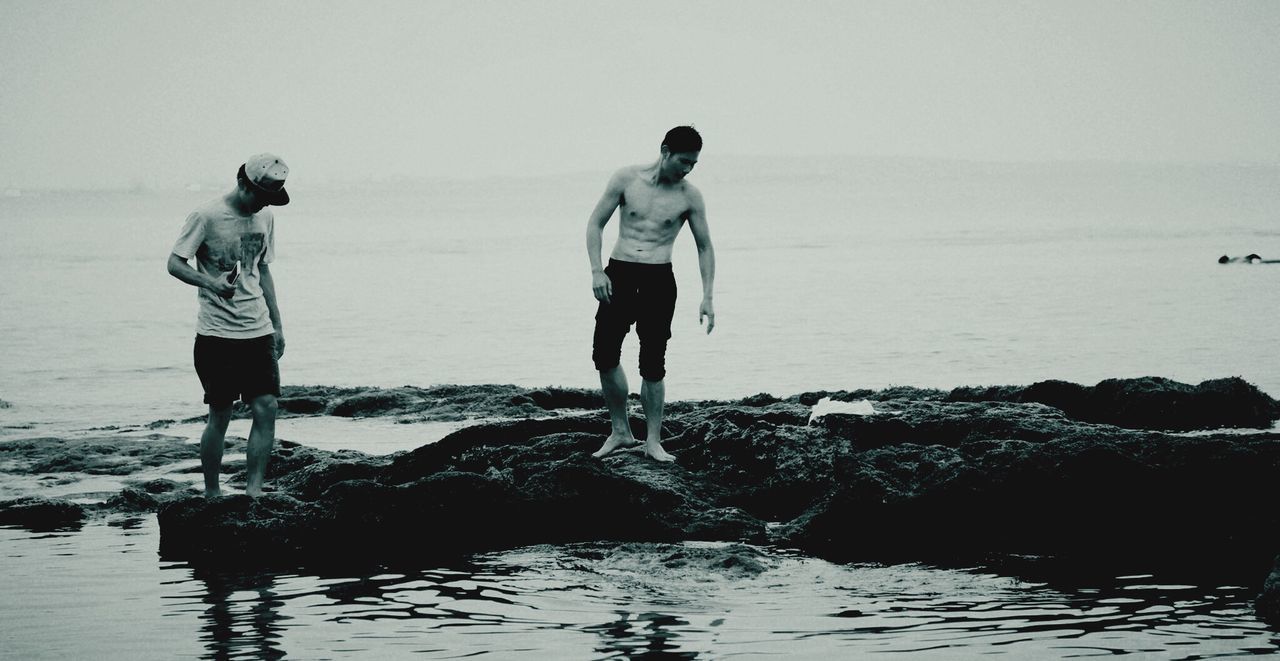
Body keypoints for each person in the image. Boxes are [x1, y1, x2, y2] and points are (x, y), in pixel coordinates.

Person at [586, 126, 715, 462]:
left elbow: (704, 247)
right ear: (665, 150)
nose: (687, 169)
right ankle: (620, 432)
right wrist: (597, 271)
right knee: (605, 353)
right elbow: (595, 224)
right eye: (684, 161)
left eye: (694, 164)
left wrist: (708, 296)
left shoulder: (689, 196)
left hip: (659, 278)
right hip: (620, 272)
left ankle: (653, 441)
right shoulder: (626, 179)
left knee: (653, 361)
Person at [167, 153, 289, 497]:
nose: (264, 204)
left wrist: (278, 325)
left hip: (258, 330)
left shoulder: (265, 217)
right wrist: (211, 283)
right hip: (216, 334)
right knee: (220, 414)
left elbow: (263, 270)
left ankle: (254, 492)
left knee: (267, 407)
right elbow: (174, 263)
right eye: (261, 196)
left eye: (270, 199)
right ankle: (212, 493)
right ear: (242, 184)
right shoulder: (206, 216)